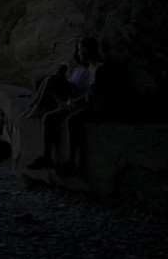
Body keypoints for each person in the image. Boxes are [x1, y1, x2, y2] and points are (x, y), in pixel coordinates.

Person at [27, 36, 106, 176]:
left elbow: (94, 95)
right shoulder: (91, 67)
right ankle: (46, 157)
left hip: (94, 107)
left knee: (71, 120)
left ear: (86, 50)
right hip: (83, 103)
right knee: (48, 117)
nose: (79, 53)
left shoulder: (98, 68)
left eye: (80, 50)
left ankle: (71, 162)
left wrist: (71, 102)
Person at [20, 41, 90, 120]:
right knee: (45, 79)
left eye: (79, 51)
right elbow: (71, 80)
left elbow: (86, 90)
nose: (77, 55)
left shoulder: (89, 70)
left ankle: (39, 106)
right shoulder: (78, 68)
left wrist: (64, 81)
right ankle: (33, 105)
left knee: (52, 79)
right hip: (69, 90)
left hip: (75, 94)